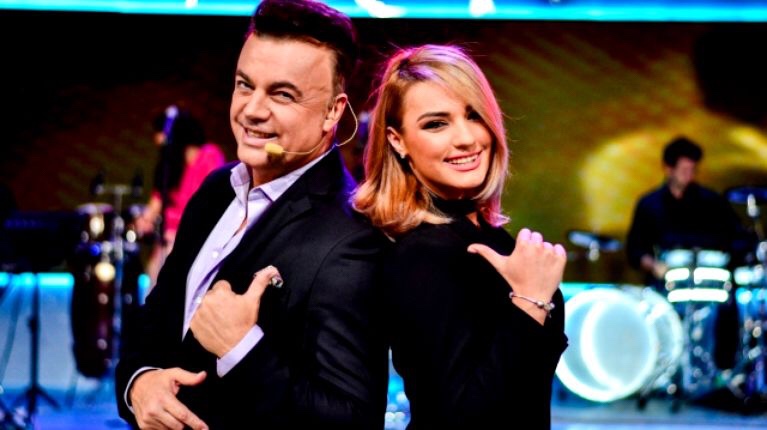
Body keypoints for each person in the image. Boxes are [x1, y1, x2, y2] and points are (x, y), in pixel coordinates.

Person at [115, 1, 390, 429]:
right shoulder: (216, 189)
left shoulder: (352, 236)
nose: (252, 110)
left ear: (333, 112)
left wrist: (241, 348)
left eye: (282, 94)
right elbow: (156, 318)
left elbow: (352, 420)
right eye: (245, 85)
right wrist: (139, 383)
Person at [353, 44, 568, 429]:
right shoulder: (422, 253)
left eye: (473, 115)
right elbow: (458, 417)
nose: (466, 138)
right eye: (436, 124)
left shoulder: (488, 237)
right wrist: (530, 301)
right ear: (398, 141)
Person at [626, 136, 746, 285]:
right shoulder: (650, 204)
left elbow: (737, 237)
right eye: (684, 170)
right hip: (666, 283)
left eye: (693, 170)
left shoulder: (712, 201)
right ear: (669, 169)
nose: (689, 176)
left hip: (710, 280)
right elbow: (635, 250)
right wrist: (654, 265)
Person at [134, 107, 226, 286]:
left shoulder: (209, 156)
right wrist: (144, 221)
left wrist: (180, 235)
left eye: (160, 134)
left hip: (194, 241)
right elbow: (156, 202)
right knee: (153, 274)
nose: (157, 141)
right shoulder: (171, 166)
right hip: (169, 241)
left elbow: (213, 207)